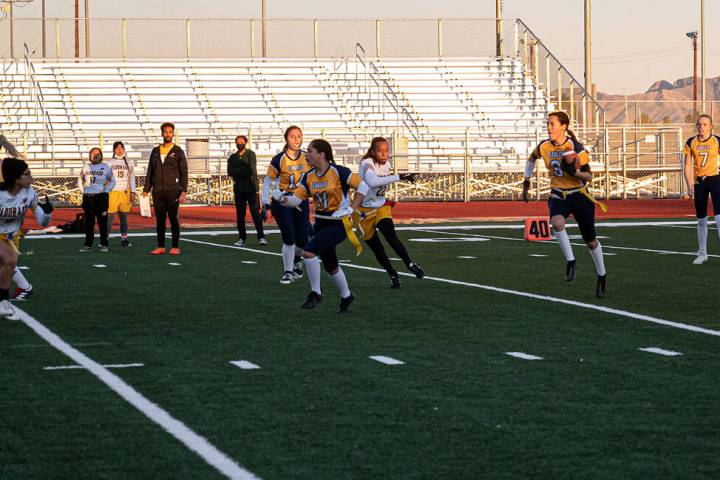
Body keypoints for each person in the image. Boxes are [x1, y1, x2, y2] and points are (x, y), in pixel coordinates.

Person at [274, 139, 370, 313]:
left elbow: (363, 186)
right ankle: (347, 296)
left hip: (338, 222)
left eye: (310, 151)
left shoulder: (339, 171)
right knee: (331, 265)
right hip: (320, 222)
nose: (306, 154)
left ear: (322, 154)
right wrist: (282, 198)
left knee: (309, 252)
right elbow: (296, 200)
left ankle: (316, 292)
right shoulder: (308, 176)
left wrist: (353, 207)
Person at [522, 111, 607, 298]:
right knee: (557, 223)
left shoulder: (575, 148)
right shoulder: (544, 146)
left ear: (564, 126)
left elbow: (589, 177)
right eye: (548, 124)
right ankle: (571, 261)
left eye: (553, 124)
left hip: (579, 196)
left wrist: (574, 173)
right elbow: (531, 158)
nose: (549, 127)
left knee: (590, 241)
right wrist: (526, 180)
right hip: (558, 194)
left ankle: (601, 275)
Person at [357, 137, 425, 288]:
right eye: (380, 151)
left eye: (386, 151)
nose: (384, 154)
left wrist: (396, 177)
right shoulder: (367, 164)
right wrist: (399, 177)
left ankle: (410, 264)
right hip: (364, 211)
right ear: (373, 152)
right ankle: (392, 274)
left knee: (391, 235)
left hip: (381, 206)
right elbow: (373, 182)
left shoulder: (387, 164)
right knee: (377, 249)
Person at [0, 157, 53, 318]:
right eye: (27, 174)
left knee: (8, 264)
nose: (32, 178)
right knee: (10, 260)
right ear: (15, 177)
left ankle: (4, 300)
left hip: (12, 236)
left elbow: (42, 222)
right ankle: (3, 300)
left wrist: (47, 212)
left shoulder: (29, 194)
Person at [261, 126, 311, 284]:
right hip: (283, 201)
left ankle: (297, 260)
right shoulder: (279, 159)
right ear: (286, 139)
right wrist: (266, 203)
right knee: (289, 237)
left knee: (303, 239)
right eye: (292, 137)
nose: (296, 140)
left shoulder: (307, 157)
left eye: (299, 136)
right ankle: (288, 272)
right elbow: (268, 182)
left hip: (300, 200)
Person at [142, 122, 188, 255]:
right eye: (165, 131)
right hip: (157, 191)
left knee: (174, 219)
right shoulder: (155, 151)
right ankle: (160, 246)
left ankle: (175, 246)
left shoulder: (178, 151)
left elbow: (184, 172)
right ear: (162, 133)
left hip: (173, 190)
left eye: (170, 132)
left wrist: (183, 190)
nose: (168, 134)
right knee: (160, 219)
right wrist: (146, 189)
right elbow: (150, 170)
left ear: (173, 134)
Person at [682, 114, 720, 265]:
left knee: (719, 217)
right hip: (699, 182)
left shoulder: (717, 140)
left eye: (704, 124)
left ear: (711, 126)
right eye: (699, 124)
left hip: (716, 178)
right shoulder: (691, 142)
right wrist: (690, 184)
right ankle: (702, 253)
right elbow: (687, 165)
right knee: (701, 219)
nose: (701, 127)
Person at [228, 135, 266, 247]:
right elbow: (230, 172)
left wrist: (237, 171)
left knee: (255, 213)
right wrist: (241, 170)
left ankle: (261, 236)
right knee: (240, 215)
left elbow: (251, 170)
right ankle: (241, 238)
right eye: (238, 142)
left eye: (242, 141)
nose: (240, 143)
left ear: (246, 142)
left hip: (251, 188)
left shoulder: (251, 154)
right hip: (239, 189)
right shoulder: (233, 157)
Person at [78, 147, 115, 252]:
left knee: (102, 222)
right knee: (89, 222)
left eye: (97, 153)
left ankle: (104, 244)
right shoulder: (86, 167)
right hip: (88, 197)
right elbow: (80, 180)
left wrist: (106, 190)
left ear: (101, 155)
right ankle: (88, 245)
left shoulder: (105, 167)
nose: (95, 155)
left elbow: (112, 180)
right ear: (89, 155)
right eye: (93, 153)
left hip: (101, 197)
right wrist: (83, 191)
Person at [106, 141, 136, 247]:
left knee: (124, 217)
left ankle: (124, 239)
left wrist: (133, 191)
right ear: (114, 150)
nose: (119, 149)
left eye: (121, 147)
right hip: (112, 192)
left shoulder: (128, 162)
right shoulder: (108, 162)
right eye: (117, 147)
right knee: (110, 217)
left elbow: (132, 177)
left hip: (124, 193)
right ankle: (106, 239)